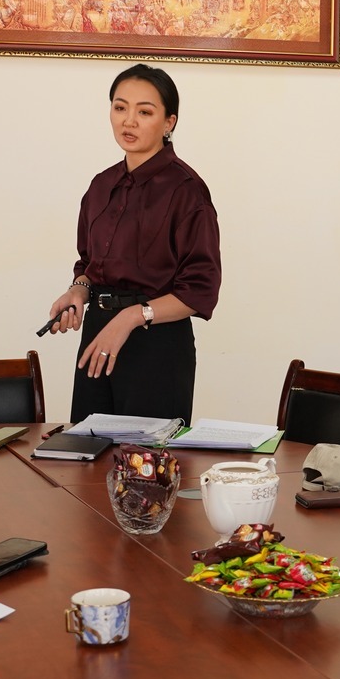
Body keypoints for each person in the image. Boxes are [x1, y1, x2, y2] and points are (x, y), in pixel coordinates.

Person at [48, 63, 221, 423]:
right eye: (120, 107)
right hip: (98, 337)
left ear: (169, 122)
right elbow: (89, 265)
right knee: (86, 449)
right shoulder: (101, 186)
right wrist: (78, 292)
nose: (129, 121)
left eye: (145, 112)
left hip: (156, 345)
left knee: (147, 457)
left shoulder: (187, 191)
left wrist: (130, 317)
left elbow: (200, 290)